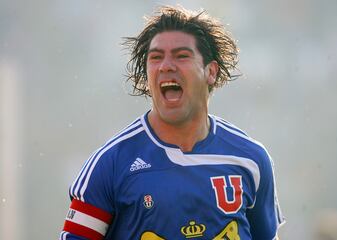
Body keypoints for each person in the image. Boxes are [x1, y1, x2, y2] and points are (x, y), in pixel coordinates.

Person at [60, 5, 284, 240]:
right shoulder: (110, 165)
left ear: (211, 72)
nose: (166, 65)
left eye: (181, 55)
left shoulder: (251, 159)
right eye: (156, 57)